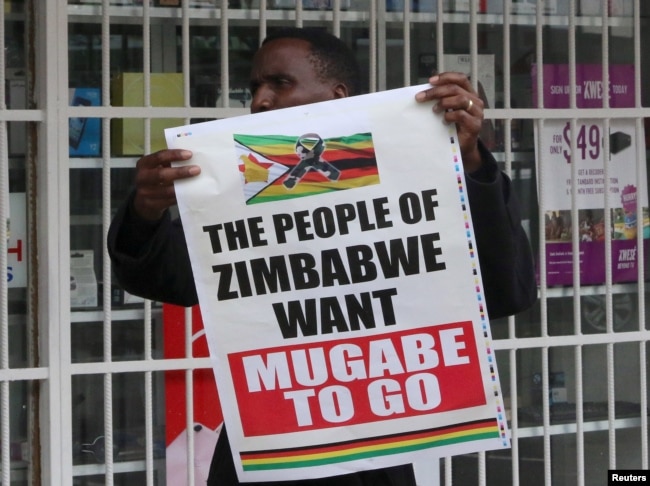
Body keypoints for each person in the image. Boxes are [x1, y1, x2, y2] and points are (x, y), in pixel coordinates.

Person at [108, 27, 537, 486]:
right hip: (269, 450)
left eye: (279, 83)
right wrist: (146, 211)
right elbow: (165, 280)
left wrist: (471, 162)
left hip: (376, 455)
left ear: (337, 95)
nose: (261, 100)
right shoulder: (239, 187)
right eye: (255, 88)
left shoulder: (407, 180)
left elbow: (505, 291)